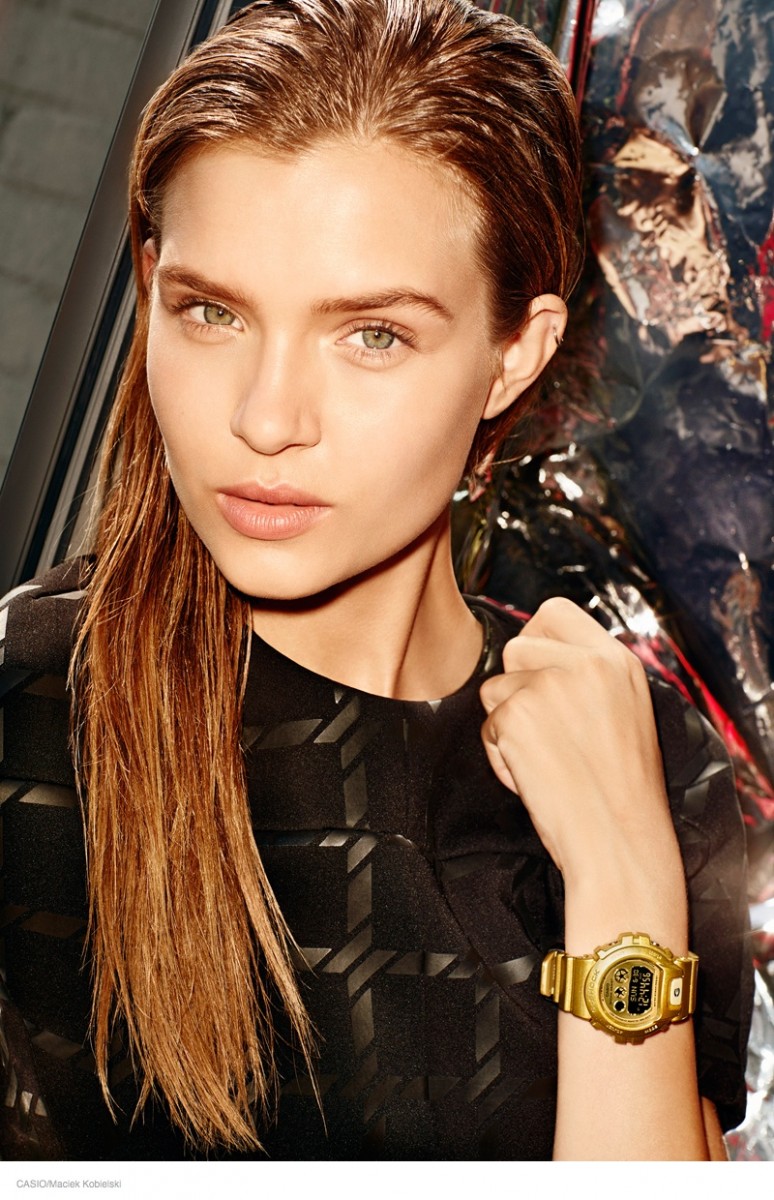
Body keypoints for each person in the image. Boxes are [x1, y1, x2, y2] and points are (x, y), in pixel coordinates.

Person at [0, 0, 751, 1162]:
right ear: (149, 290)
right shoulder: (29, 711)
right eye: (211, 312)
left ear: (515, 354)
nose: (266, 419)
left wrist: (622, 877)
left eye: (373, 336)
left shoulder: (646, 761)